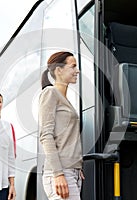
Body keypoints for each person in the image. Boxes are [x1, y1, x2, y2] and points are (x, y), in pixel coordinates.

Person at [39, 51, 84, 200]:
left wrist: (76, 165)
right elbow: (46, 135)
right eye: (73, 66)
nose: (77, 70)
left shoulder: (65, 99)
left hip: (72, 171)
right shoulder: (50, 93)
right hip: (60, 172)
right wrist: (58, 173)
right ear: (59, 70)